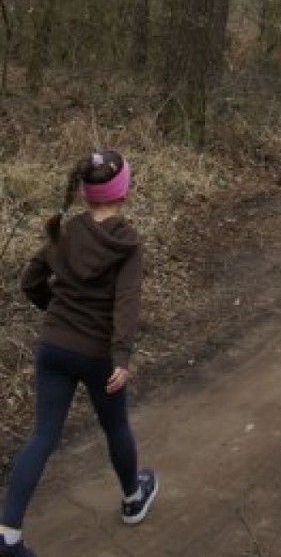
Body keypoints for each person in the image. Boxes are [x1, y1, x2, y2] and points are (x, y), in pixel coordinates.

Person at [1, 150, 157, 557]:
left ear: (86, 194)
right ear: (124, 190)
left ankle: (8, 534)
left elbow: (30, 280)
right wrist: (121, 358)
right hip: (98, 354)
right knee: (115, 426)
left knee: (42, 435)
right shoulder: (127, 242)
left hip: (53, 348)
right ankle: (132, 499)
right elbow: (127, 303)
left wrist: (54, 312)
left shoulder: (67, 230)